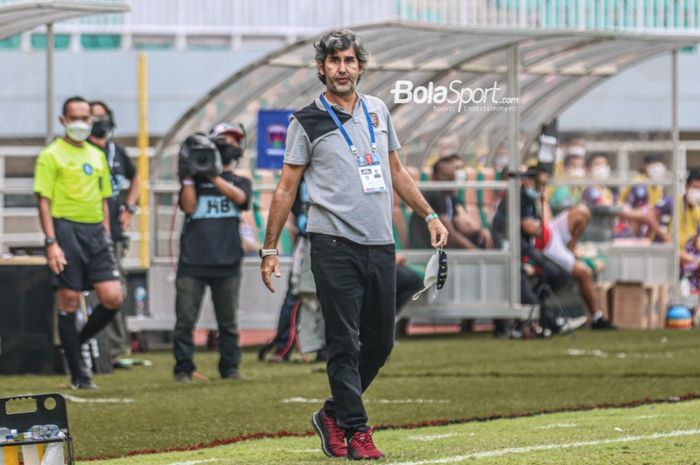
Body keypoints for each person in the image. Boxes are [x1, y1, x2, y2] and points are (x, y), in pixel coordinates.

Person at [260, 29, 448, 460]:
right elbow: (286, 189)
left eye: (348, 61)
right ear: (321, 68)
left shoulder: (379, 110)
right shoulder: (305, 121)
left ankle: (333, 414)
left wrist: (429, 214)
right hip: (331, 244)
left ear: (360, 66)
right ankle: (358, 431)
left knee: (380, 343)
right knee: (343, 341)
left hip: (380, 243)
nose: (341, 69)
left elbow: (396, 170)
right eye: (333, 62)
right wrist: (270, 250)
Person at [34, 96, 124, 389]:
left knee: (113, 297)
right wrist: (51, 242)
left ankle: (76, 342)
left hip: (96, 232)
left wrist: (106, 235)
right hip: (66, 230)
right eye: (75, 118)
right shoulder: (51, 155)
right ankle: (79, 374)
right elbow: (44, 201)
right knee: (69, 300)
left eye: (86, 118)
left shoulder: (96, 156)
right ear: (63, 120)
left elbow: (104, 199)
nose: (82, 123)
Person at [173, 123, 252, 382]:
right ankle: (183, 368)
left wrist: (213, 175)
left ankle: (230, 367)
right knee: (185, 320)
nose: (230, 145)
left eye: (234, 141)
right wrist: (189, 176)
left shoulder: (239, 180)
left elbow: (241, 199)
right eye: (224, 140)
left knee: (228, 323)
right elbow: (188, 207)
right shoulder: (194, 180)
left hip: (227, 262)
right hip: (193, 262)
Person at [88, 100, 140, 369]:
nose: (99, 120)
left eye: (102, 116)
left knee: (114, 290)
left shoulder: (117, 152)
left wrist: (130, 206)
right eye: (93, 116)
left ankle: (117, 350)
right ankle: (87, 348)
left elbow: (136, 176)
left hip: (114, 234)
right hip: (84, 230)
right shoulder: (81, 151)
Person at [409, 155, 492, 249]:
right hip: (428, 252)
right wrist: (475, 251)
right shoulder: (433, 196)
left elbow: (462, 225)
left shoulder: (449, 198)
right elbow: (450, 234)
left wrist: (480, 231)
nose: (450, 180)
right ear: (434, 177)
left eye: (453, 177)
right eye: (446, 176)